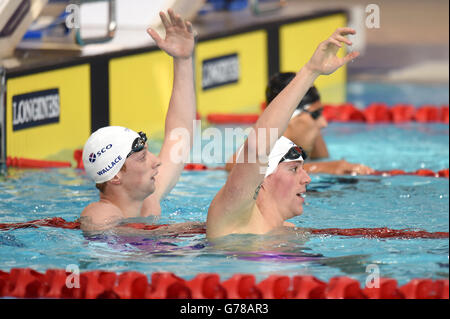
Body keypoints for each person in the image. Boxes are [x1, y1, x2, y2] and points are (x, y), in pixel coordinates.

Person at [207, 28, 361, 239]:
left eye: (302, 169)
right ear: (262, 178)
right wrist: (310, 71)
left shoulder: (291, 233)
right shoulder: (237, 219)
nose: (307, 179)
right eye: (294, 169)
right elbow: (256, 147)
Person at [80, 9, 197, 232]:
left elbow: (178, 136)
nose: (157, 161)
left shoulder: (147, 201)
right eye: (142, 157)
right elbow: (126, 238)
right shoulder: (98, 215)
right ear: (115, 175)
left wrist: (183, 60)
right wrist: (189, 230)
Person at [225, 73, 373, 175]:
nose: (324, 123)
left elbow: (326, 161)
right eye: (315, 114)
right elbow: (238, 170)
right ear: (289, 118)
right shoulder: (255, 147)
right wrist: (321, 168)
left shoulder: (310, 133)